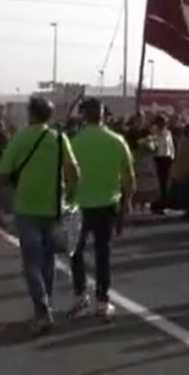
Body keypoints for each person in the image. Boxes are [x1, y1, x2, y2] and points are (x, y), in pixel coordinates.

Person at [0, 97, 80, 334]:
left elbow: (1, 172)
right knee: (48, 259)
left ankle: (41, 308)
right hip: (53, 208)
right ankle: (46, 304)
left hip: (27, 208)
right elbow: (73, 172)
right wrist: (70, 199)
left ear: (31, 113)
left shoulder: (21, 138)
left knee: (31, 261)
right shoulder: (60, 139)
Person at [68, 98, 135, 320]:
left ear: (83, 116)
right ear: (104, 115)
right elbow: (129, 180)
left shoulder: (76, 141)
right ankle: (102, 301)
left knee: (76, 252)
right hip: (107, 204)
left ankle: (80, 297)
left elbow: (66, 175)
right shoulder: (117, 141)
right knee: (102, 253)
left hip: (79, 204)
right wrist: (125, 209)